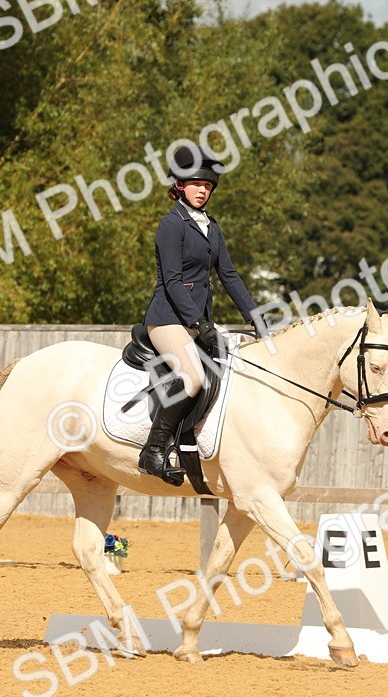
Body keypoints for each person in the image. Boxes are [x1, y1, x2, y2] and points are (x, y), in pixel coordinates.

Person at [138, 147, 262, 485]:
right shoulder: (171, 225)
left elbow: (229, 275)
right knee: (192, 376)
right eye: (196, 184)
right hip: (167, 318)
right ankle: (153, 449)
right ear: (179, 185)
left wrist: (255, 317)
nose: (202, 190)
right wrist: (199, 323)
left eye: (207, 186)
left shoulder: (211, 227)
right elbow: (173, 282)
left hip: (194, 319)